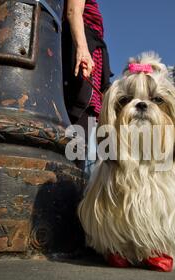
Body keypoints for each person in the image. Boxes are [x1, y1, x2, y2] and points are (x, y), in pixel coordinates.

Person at [62, 0, 112, 172]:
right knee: (79, 119)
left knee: (84, 126)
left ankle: (75, 175)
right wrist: (82, 50)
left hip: (89, 52)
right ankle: (71, 179)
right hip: (81, 52)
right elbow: (73, 12)